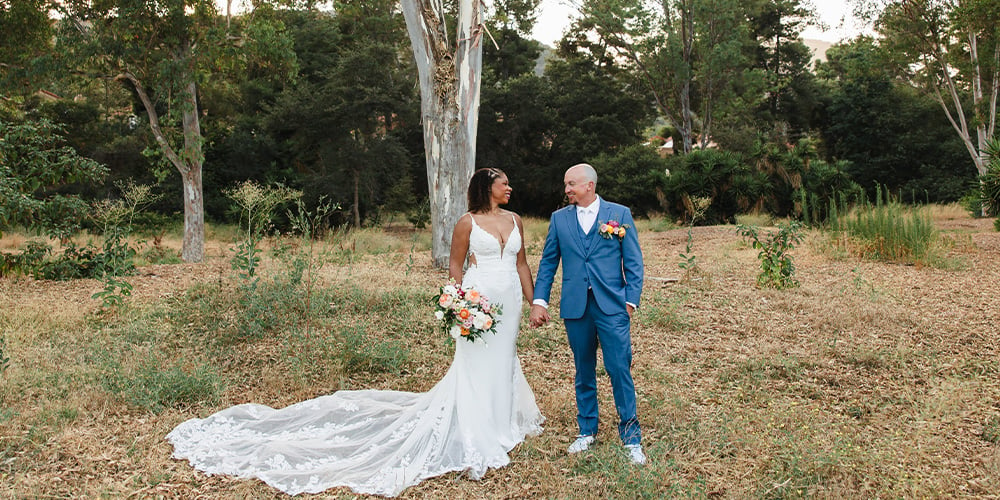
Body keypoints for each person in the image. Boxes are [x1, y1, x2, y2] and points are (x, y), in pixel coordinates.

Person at [166, 167, 544, 497]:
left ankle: (502, 421)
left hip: (508, 302)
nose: (509, 188)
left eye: (509, 185)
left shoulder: (515, 221)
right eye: (503, 184)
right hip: (476, 303)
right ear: (486, 187)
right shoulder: (467, 222)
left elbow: (523, 263)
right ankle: (477, 431)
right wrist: (459, 304)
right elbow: (456, 265)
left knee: (503, 360)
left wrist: (534, 304)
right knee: (475, 365)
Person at [529, 163, 646, 465]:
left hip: (612, 306)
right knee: (583, 370)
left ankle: (631, 437)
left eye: (571, 184)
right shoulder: (559, 219)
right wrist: (539, 301)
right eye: (566, 184)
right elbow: (548, 263)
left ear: (589, 186)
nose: (566, 189)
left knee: (619, 368)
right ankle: (587, 430)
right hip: (575, 307)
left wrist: (630, 301)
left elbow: (633, 262)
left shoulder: (618, 215)